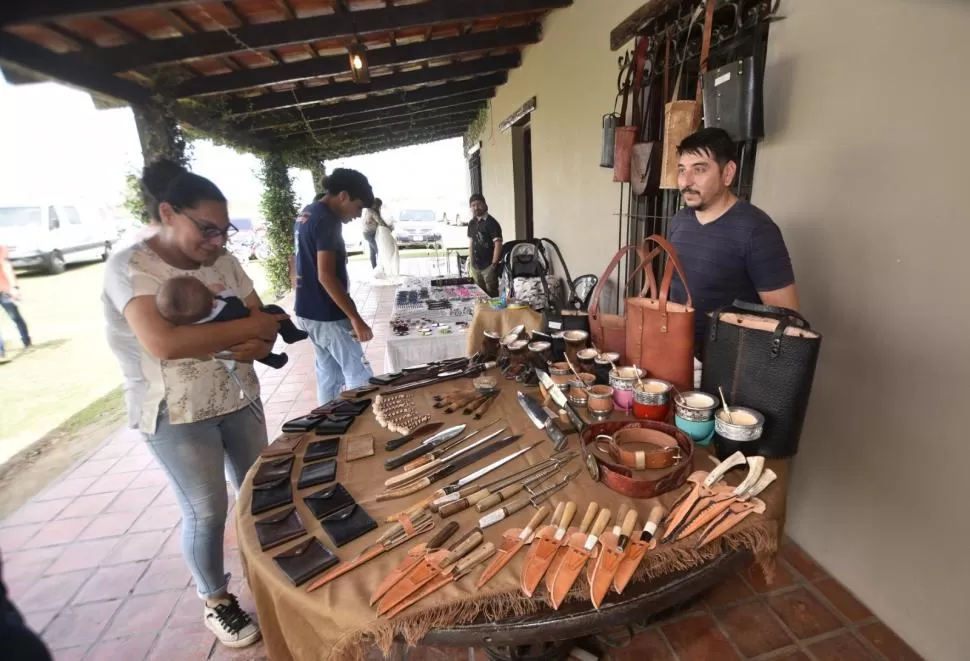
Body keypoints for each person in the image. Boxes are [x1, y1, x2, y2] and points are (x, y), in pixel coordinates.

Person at [102, 159, 285, 649]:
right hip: (174, 414)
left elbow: (266, 321)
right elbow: (163, 343)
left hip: (238, 396)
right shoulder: (132, 267)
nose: (217, 241)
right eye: (206, 229)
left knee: (259, 493)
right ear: (168, 212)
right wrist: (251, 329)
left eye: (224, 231)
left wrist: (260, 339)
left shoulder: (223, 263)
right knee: (207, 509)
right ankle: (217, 599)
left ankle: (270, 574)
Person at [670, 127, 799, 348]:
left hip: (726, 367)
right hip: (674, 353)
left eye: (699, 170)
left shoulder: (758, 230)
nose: (685, 181)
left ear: (728, 172)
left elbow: (787, 319)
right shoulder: (680, 220)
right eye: (682, 170)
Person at [294, 169, 376, 404]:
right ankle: (368, 423)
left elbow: (296, 260)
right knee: (359, 374)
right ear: (343, 196)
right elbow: (326, 276)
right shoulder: (327, 219)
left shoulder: (307, 213)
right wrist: (355, 318)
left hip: (307, 310)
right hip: (327, 314)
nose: (358, 215)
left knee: (329, 374)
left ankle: (328, 423)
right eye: (358, 207)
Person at [155, 275, 307, 369]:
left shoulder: (196, 324)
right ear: (213, 302)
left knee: (255, 350)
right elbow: (238, 306)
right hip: (253, 330)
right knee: (274, 309)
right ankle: (291, 334)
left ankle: (273, 359)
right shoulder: (224, 308)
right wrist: (223, 292)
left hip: (228, 348)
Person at [466, 193, 503, 297]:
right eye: (473, 205)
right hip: (475, 266)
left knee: (492, 295)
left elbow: (498, 243)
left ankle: (494, 313)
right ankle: (483, 313)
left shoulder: (492, 223)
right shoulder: (471, 223)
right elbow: (471, 243)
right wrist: (471, 262)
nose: (476, 207)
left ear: (485, 205)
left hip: (488, 266)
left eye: (478, 204)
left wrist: (494, 265)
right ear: (470, 208)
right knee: (480, 294)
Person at [0, 244, 32, 361]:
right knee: (15, 317)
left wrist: (14, 287)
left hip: (4, 290)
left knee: (15, 317)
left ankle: (26, 340)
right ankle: (1, 352)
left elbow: (6, 267)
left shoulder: (1, 249)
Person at [361, 198, 383, 269]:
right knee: (378, 250)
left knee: (372, 252)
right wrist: (388, 227)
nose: (379, 207)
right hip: (369, 234)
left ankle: (375, 268)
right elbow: (380, 221)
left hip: (369, 233)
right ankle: (380, 267)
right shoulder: (371, 211)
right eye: (379, 205)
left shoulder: (369, 210)